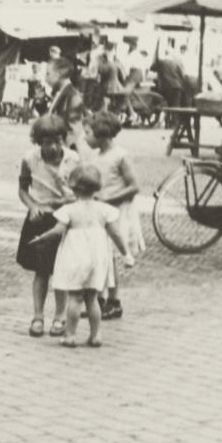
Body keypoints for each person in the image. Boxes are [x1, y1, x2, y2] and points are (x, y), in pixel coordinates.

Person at [28, 163, 134, 347]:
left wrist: (41, 239)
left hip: (76, 256)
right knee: (92, 298)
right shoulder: (103, 209)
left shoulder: (69, 210)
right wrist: (126, 254)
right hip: (97, 257)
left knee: (75, 297)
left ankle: (70, 335)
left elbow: (57, 231)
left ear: (73, 187)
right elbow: (115, 233)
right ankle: (96, 335)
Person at [16, 114, 79, 339]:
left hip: (64, 218)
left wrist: (69, 198)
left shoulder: (73, 160)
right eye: (47, 143)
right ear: (38, 142)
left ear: (64, 140)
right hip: (41, 218)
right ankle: (38, 316)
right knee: (41, 271)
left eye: (58, 142)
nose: (52, 147)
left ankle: (60, 316)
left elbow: (83, 191)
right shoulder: (29, 159)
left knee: (62, 270)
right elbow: (23, 189)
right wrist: (32, 207)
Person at [85, 111, 141, 321]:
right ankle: (99, 299)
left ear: (101, 133)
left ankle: (114, 301)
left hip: (116, 213)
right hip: (100, 212)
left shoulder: (120, 156)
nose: (85, 137)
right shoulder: (96, 156)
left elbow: (134, 186)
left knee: (109, 258)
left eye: (88, 132)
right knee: (100, 256)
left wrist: (108, 199)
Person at [45, 55, 88, 155]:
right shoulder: (61, 92)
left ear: (59, 73)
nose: (46, 78)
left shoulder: (72, 95)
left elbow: (74, 128)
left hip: (68, 148)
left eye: (48, 74)